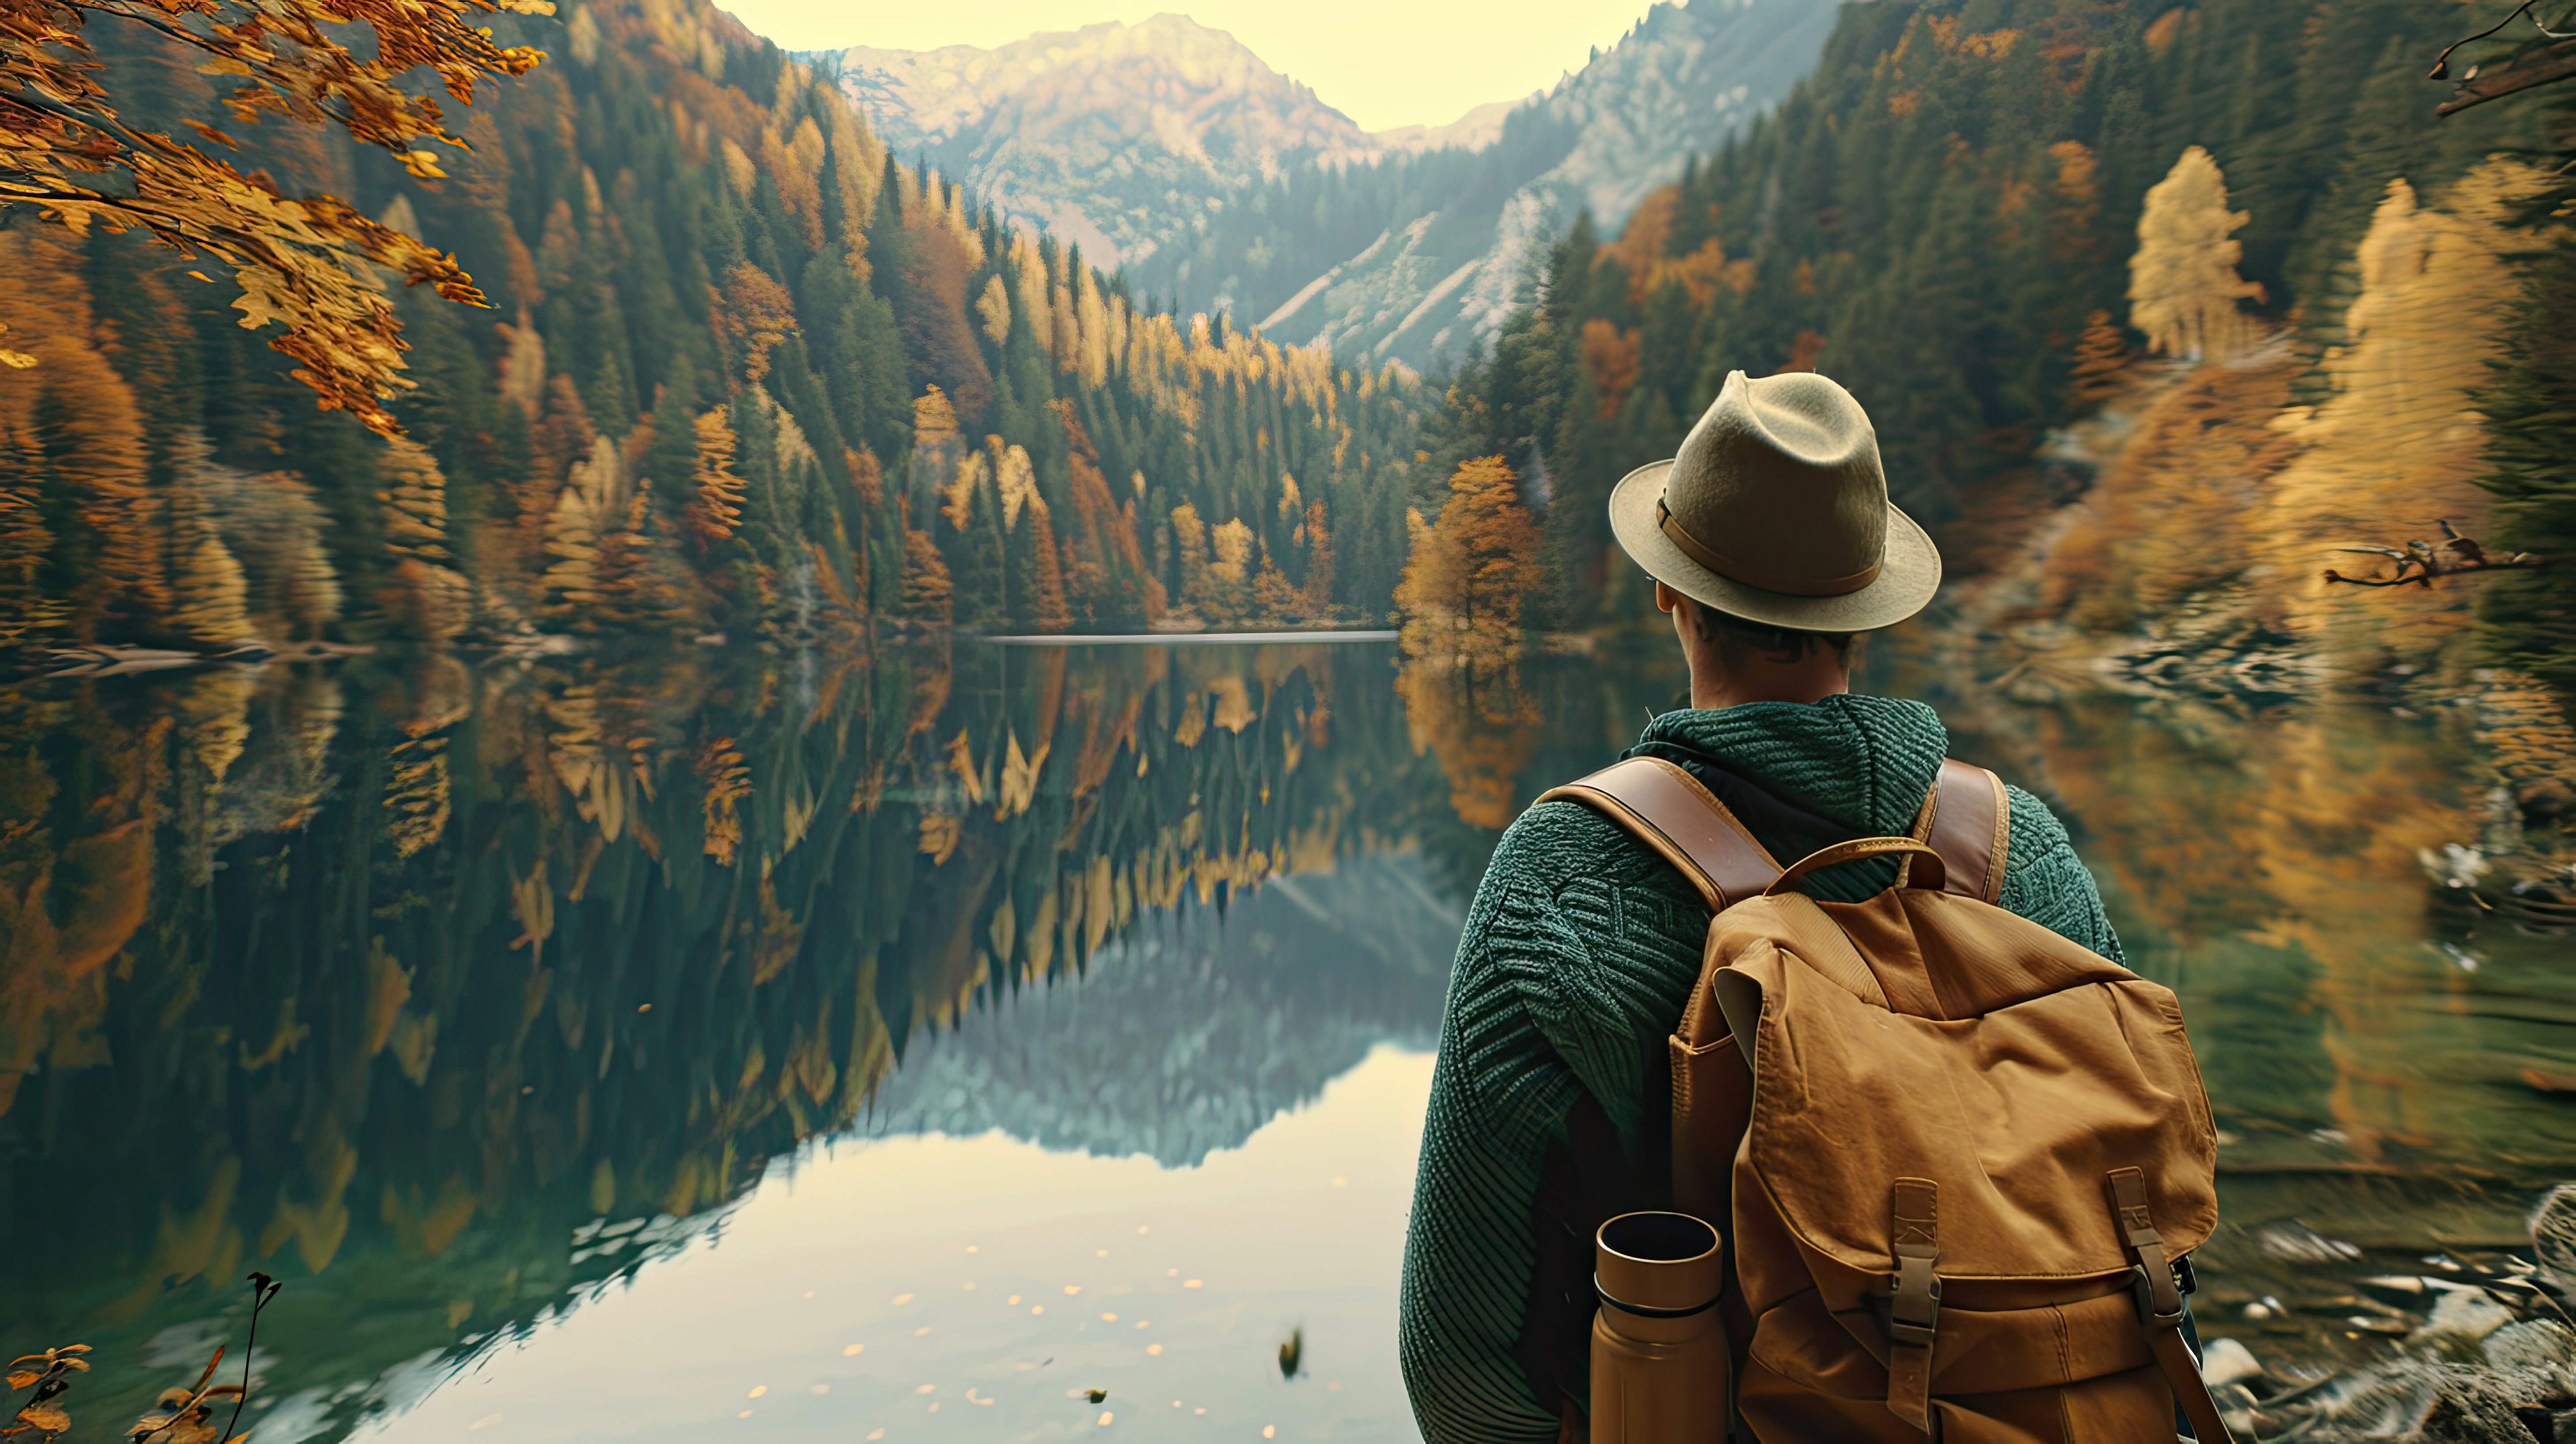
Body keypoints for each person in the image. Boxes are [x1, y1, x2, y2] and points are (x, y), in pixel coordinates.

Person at [1395, 370, 2126, 1443]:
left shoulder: (1561, 874)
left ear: (1670, 594)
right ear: (1861, 613)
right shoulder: (2023, 851)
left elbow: (1455, 1360)